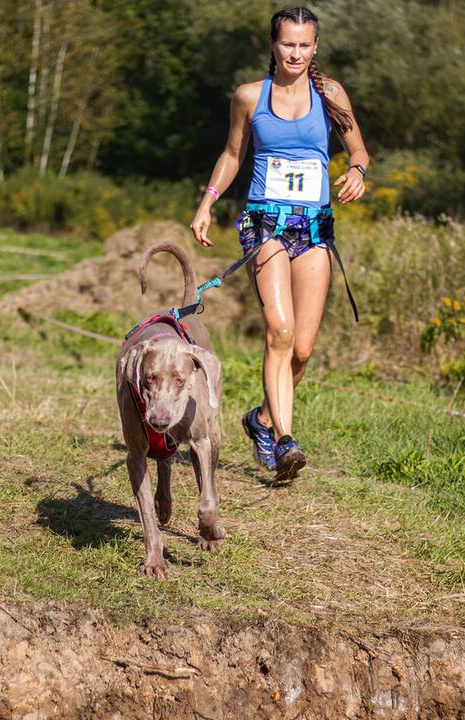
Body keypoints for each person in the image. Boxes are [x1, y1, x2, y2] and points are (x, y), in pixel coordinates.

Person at [190, 6, 369, 482]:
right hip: (265, 223)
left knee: (303, 350)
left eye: (304, 45)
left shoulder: (329, 93)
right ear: (273, 45)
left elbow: (358, 149)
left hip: (314, 226)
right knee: (280, 332)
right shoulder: (251, 96)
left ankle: (262, 420)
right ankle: (286, 440)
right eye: (288, 44)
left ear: (315, 47)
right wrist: (207, 202)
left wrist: (357, 171)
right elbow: (233, 154)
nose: (296, 53)